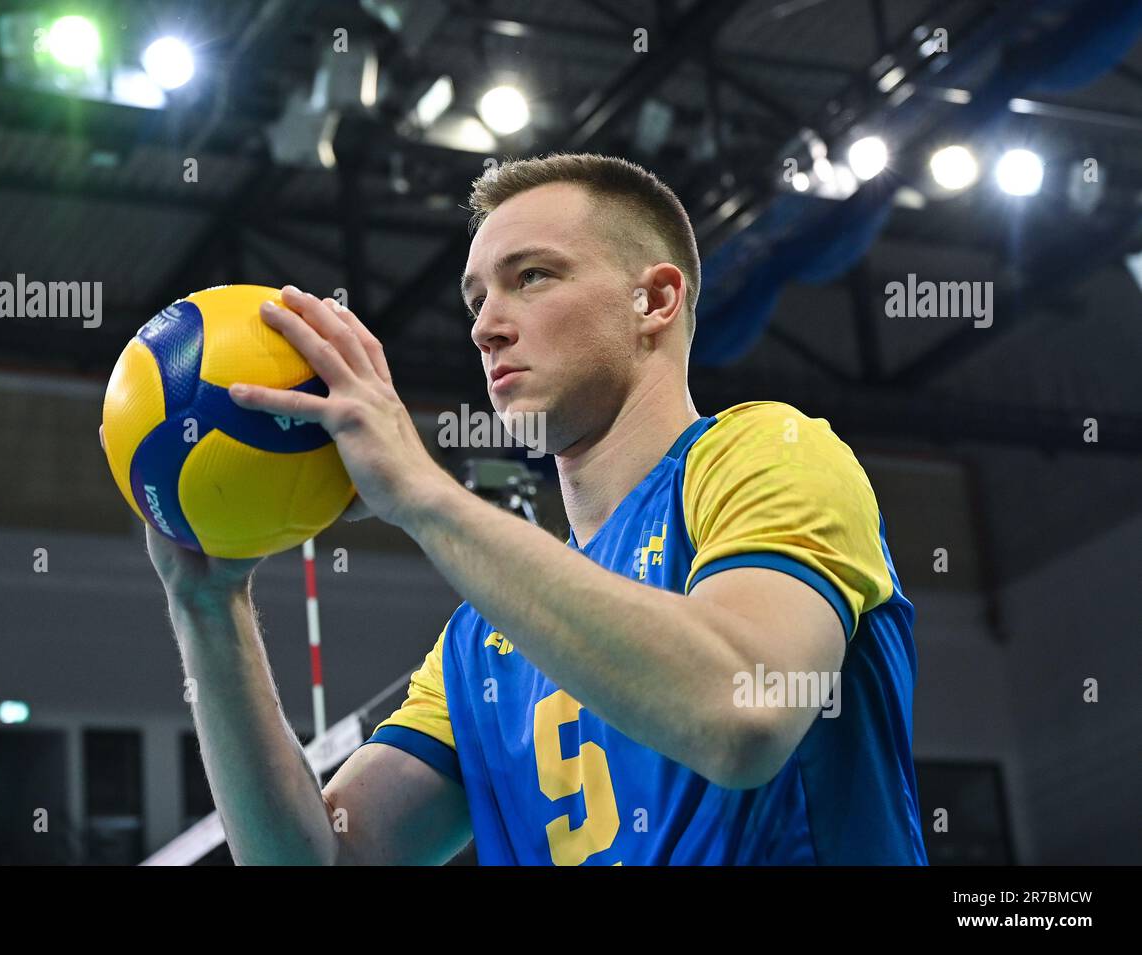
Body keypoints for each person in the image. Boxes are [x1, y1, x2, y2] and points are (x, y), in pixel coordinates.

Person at [110, 152, 927, 865]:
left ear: (656, 300)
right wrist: (207, 608)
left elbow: (742, 712)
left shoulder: (767, 453)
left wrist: (422, 493)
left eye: (530, 276)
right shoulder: (482, 640)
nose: (486, 328)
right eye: (474, 300)